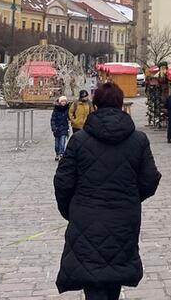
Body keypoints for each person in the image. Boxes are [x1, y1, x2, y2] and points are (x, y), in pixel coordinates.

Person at [55, 82, 161, 299]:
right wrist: (130, 198)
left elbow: (63, 182)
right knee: (114, 274)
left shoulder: (79, 140)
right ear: (121, 105)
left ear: (95, 106)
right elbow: (150, 180)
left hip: (86, 218)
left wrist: (72, 211)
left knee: (91, 277)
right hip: (123, 218)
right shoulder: (138, 140)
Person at [51, 96, 71, 161]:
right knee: (57, 144)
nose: (63, 102)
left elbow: (70, 116)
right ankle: (57, 153)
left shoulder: (67, 109)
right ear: (59, 102)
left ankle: (61, 154)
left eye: (64, 101)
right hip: (57, 128)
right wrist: (54, 127)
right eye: (62, 101)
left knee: (62, 141)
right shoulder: (56, 110)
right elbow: (53, 119)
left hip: (64, 128)